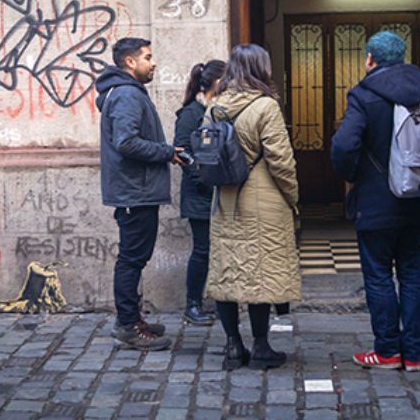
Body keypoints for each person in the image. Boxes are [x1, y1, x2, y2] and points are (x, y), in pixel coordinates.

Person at [330, 31, 420, 372]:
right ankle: (415, 353)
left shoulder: (363, 94)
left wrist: (352, 175)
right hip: (419, 199)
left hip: (376, 201)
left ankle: (388, 351)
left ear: (370, 59)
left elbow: (344, 146)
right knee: (413, 274)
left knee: (378, 276)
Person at [205, 43, 301, 370]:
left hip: (224, 201)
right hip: (263, 201)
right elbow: (281, 161)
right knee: (260, 276)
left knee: (227, 273)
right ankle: (261, 346)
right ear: (262, 68)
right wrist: (293, 197)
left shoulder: (214, 105)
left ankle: (233, 346)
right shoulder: (266, 106)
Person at [95, 37, 184, 351]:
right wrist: (165, 151)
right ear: (129, 62)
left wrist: (166, 153)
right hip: (135, 191)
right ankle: (128, 326)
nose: (153, 62)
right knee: (131, 260)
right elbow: (126, 142)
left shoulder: (124, 93)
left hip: (135, 190)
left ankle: (131, 320)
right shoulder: (128, 95)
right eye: (147, 57)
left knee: (134, 258)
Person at [173, 59, 227, 326]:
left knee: (218, 250)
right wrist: (204, 179)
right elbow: (181, 152)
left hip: (219, 194)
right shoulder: (191, 113)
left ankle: (219, 301)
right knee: (203, 250)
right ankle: (192, 304)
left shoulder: (219, 111)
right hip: (199, 194)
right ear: (216, 83)